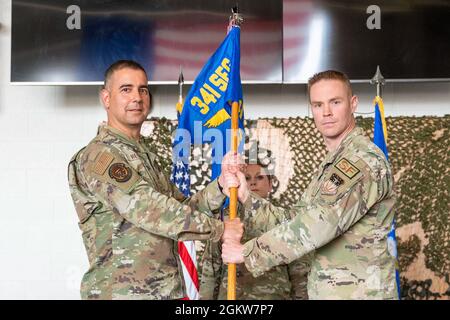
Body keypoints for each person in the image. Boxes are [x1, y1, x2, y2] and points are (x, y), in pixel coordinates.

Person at [67, 60, 243, 300]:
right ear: (106, 98)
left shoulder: (146, 155)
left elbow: (183, 207)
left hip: (164, 291)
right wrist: (220, 230)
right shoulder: (100, 155)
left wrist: (221, 185)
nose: (137, 97)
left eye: (143, 89)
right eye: (126, 89)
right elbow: (149, 208)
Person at [221, 70, 398, 300]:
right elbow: (297, 219)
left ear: (353, 103)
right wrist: (246, 196)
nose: (326, 112)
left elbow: (319, 224)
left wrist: (249, 252)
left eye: (335, 102)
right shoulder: (333, 164)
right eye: (317, 104)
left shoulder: (361, 160)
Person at [198, 148, 310, 300]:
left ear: (271, 184)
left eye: (260, 177)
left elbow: (299, 270)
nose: (253, 182)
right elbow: (211, 268)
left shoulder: (284, 220)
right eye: (247, 178)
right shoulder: (225, 218)